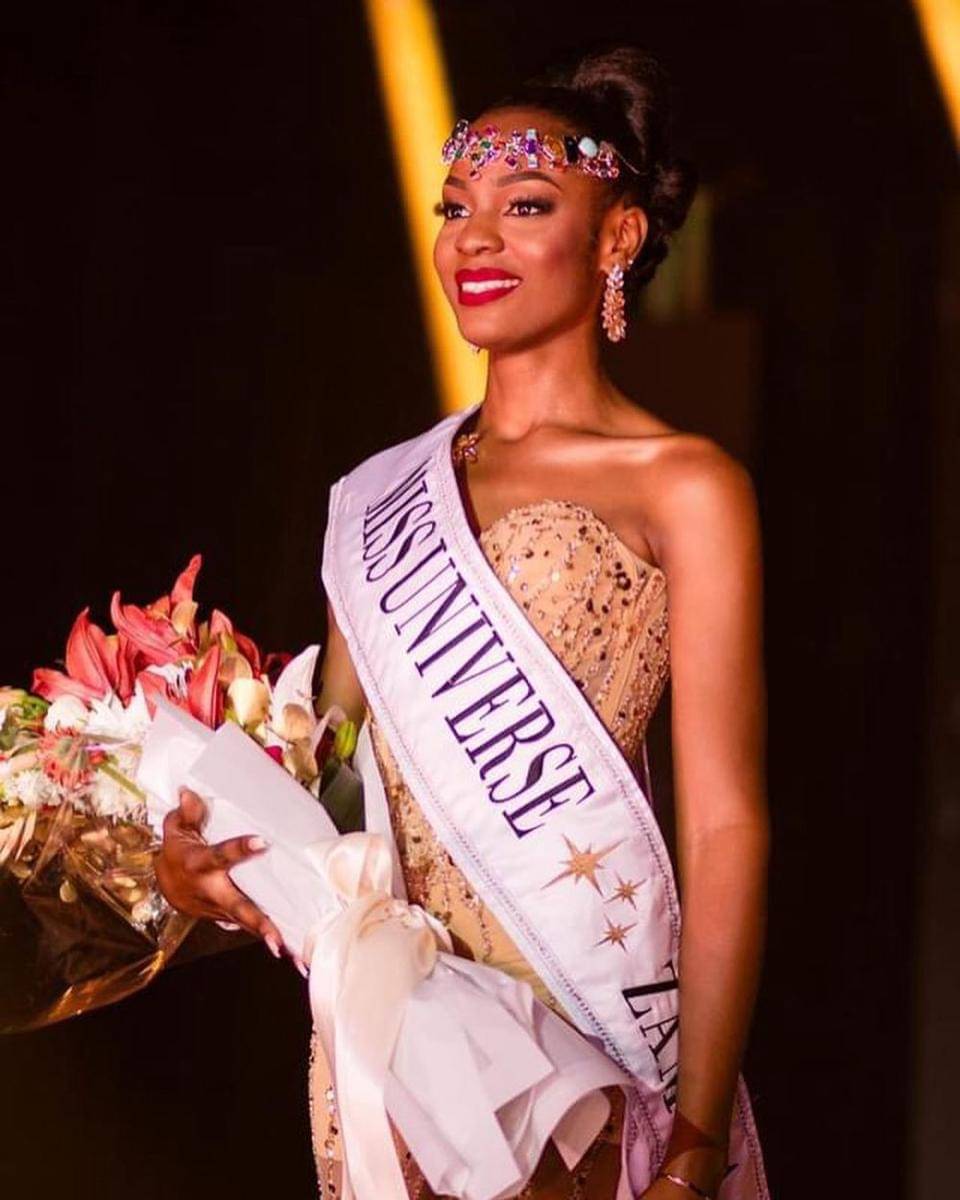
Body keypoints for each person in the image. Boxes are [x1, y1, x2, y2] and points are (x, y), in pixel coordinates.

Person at [156, 46, 770, 1200]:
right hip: (406, 1051)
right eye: (454, 209)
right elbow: (337, 790)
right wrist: (202, 866)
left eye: (524, 206)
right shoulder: (380, 494)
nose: (473, 240)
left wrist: (695, 1142)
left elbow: (726, 825)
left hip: (585, 1046)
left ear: (618, 236)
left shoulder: (685, 485)